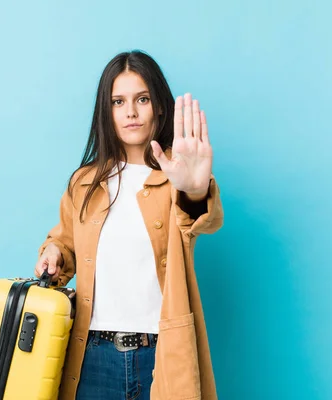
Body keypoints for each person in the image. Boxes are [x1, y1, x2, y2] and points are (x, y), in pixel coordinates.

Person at [34, 50, 224, 400]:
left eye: (142, 99)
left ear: (160, 107)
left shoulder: (175, 176)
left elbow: (199, 219)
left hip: (162, 353)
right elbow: (66, 242)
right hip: (92, 356)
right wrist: (53, 250)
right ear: (106, 112)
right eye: (118, 101)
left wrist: (194, 189)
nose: (131, 112)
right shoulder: (85, 181)